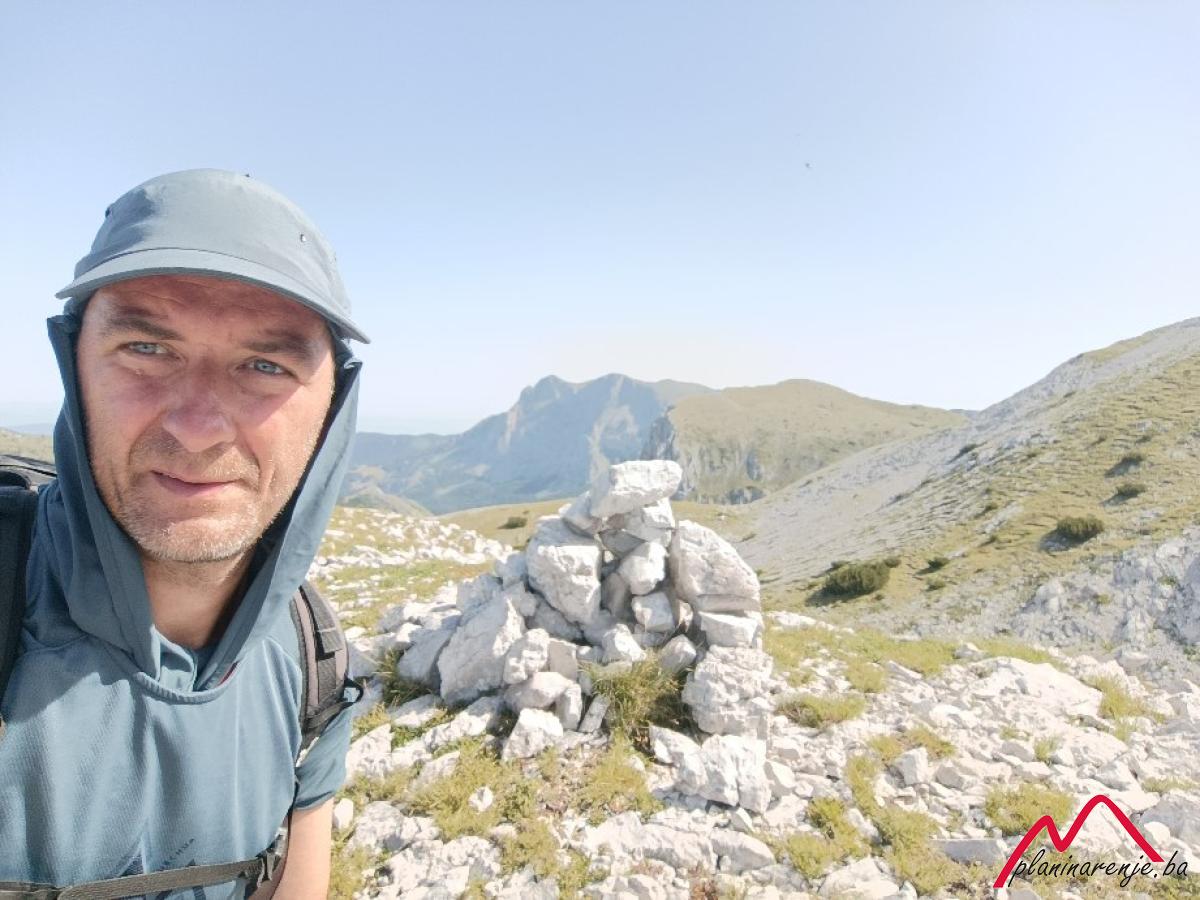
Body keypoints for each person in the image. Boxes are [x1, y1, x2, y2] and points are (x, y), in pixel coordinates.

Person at [0, 169, 370, 897]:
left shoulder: (314, 665)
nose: (198, 428)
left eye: (265, 365)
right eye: (146, 348)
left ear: (332, 407)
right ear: (75, 364)